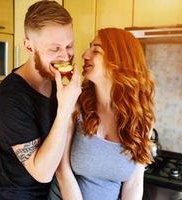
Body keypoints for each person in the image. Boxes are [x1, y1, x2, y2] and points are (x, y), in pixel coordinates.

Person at [48, 28, 155, 200]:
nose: (84, 54)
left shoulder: (142, 120)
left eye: (96, 50)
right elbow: (61, 169)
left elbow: (134, 182)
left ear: (119, 60)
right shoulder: (75, 103)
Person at [0, 1, 81, 199]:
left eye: (69, 46)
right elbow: (42, 173)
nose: (65, 56)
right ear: (29, 47)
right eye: (54, 49)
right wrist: (65, 109)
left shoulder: (59, 82)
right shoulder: (10, 97)